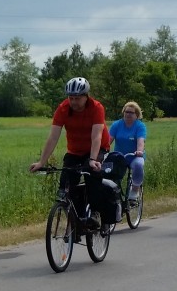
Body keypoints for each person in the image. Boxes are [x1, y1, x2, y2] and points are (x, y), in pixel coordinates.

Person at [29, 77, 114, 229]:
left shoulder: (96, 107)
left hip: (97, 148)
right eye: (71, 98)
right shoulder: (63, 109)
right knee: (66, 182)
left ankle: (95, 213)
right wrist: (42, 162)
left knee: (92, 175)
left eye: (77, 98)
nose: (74, 102)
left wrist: (93, 159)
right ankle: (76, 220)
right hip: (75, 150)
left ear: (86, 96)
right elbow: (53, 137)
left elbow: (96, 136)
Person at [107, 101, 147, 202]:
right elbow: (108, 140)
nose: (128, 114)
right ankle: (114, 195)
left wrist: (139, 151)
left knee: (138, 165)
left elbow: (141, 141)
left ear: (136, 115)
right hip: (119, 156)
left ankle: (135, 190)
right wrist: (103, 150)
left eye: (131, 112)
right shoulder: (116, 125)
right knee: (111, 173)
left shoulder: (140, 126)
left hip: (134, 156)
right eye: (126, 112)